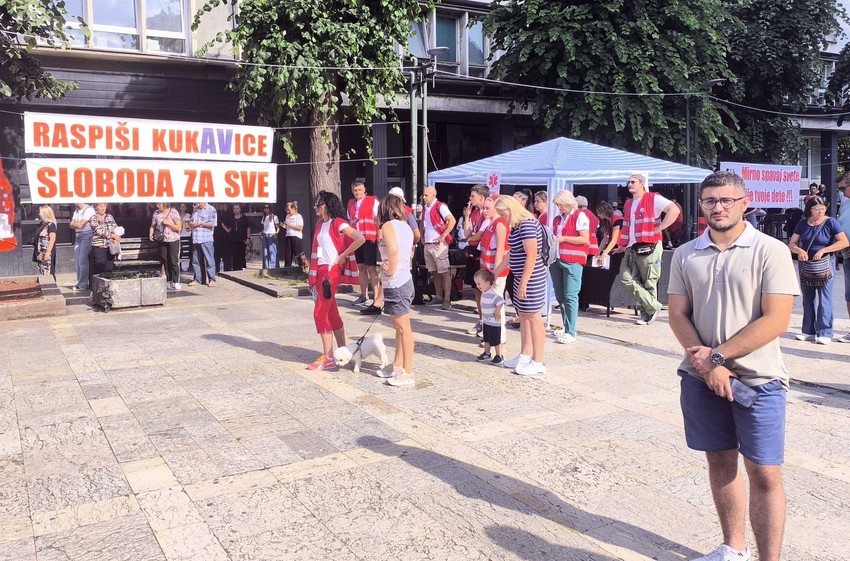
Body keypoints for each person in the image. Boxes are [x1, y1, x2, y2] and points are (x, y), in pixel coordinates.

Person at [668, 170, 799, 561]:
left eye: (727, 200)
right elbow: (677, 314)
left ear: (744, 203)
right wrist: (707, 365)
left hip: (760, 379)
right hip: (701, 377)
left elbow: (776, 319)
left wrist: (719, 356)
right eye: (710, 200)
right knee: (720, 460)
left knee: (764, 472)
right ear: (702, 205)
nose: (718, 207)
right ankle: (732, 547)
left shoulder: (770, 250)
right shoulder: (686, 253)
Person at [612, 172, 680, 325]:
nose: (629, 184)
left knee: (648, 281)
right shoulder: (629, 203)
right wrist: (622, 245)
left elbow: (674, 210)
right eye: (629, 182)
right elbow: (628, 226)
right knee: (626, 278)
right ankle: (653, 306)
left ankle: (646, 315)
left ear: (642, 184)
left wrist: (661, 227)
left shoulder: (653, 198)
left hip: (650, 245)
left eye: (633, 182)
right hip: (632, 247)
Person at [308, 190, 365, 371]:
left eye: (319, 203)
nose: (316, 206)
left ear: (326, 206)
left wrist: (343, 256)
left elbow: (360, 238)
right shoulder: (320, 225)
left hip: (330, 273)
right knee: (331, 313)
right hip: (321, 272)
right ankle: (344, 351)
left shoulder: (338, 223)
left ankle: (328, 357)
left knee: (319, 313)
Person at [493, 195, 547, 376]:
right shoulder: (517, 225)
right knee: (523, 315)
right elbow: (513, 253)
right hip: (521, 276)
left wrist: (523, 282)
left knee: (533, 316)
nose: (502, 217)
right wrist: (496, 271)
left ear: (510, 209)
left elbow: (532, 255)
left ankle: (538, 361)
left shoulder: (527, 224)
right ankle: (525, 355)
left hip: (532, 277)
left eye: (503, 213)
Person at [787, 195, 848, 344]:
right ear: (810, 210)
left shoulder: (831, 222)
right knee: (807, 298)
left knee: (824, 299)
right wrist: (800, 251)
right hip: (806, 265)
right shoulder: (803, 223)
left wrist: (825, 250)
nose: (820, 212)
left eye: (822, 209)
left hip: (825, 264)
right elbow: (792, 243)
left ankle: (825, 332)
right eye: (816, 209)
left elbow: (844, 242)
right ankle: (808, 330)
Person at [376, 194, 416, 386]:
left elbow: (392, 250)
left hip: (397, 281)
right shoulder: (406, 226)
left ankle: (408, 371)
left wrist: (390, 269)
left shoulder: (388, 226)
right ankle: (398, 365)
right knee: (399, 328)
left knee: (403, 328)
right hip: (403, 279)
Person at [550, 190, 589, 344]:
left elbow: (585, 239)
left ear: (568, 203)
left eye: (560, 205)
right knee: (560, 297)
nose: (559, 208)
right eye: (558, 205)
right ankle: (567, 326)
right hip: (557, 260)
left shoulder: (580, 216)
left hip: (573, 261)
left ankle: (571, 332)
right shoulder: (558, 219)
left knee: (570, 296)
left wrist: (565, 238)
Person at [420, 186, 456, 311]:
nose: (424, 197)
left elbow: (451, 220)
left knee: (444, 272)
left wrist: (443, 235)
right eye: (423, 195)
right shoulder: (425, 208)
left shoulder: (440, 206)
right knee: (434, 272)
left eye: (426, 195)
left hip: (438, 244)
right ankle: (439, 296)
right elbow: (422, 223)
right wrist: (422, 237)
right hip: (428, 243)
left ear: (433, 195)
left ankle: (447, 299)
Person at [479, 194, 509, 342]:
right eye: (483, 208)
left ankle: (500, 336)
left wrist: (495, 272)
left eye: (487, 208)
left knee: (497, 303)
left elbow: (500, 249)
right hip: (489, 269)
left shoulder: (499, 224)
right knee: (490, 304)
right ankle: (492, 335)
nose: (484, 210)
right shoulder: (492, 223)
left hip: (496, 271)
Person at [347, 180, 381, 310]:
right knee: (361, 267)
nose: (357, 193)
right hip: (357, 240)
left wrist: (380, 234)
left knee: (371, 268)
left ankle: (376, 296)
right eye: (355, 190)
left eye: (359, 190)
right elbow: (351, 221)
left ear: (364, 190)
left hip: (369, 239)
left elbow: (379, 218)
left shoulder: (372, 201)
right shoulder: (351, 204)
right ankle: (364, 295)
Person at [463, 184, 491, 335]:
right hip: (473, 253)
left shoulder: (488, 213)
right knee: (476, 288)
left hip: (482, 255)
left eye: (473, 196)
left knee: (486, 289)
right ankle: (481, 321)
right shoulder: (474, 213)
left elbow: (477, 236)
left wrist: (469, 238)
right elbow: (468, 233)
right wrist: (467, 216)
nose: (470, 198)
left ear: (481, 197)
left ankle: (487, 322)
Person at [474, 269, 505, 365]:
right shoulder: (485, 293)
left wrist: (497, 311)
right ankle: (487, 353)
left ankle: (499, 355)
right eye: (476, 284)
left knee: (495, 339)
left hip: (494, 323)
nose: (477, 286)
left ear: (487, 283)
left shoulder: (493, 293)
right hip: (486, 321)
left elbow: (500, 301)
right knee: (486, 338)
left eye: (479, 284)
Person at [149, 202, 183, 290]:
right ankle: (168, 280)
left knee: (173, 260)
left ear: (164, 204)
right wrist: (151, 233)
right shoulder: (156, 213)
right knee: (165, 260)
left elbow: (179, 227)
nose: (157, 205)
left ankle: (175, 281)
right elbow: (153, 225)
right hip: (162, 239)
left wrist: (168, 223)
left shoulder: (173, 212)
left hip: (173, 239)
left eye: (159, 204)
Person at [188, 202, 217, 287]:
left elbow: (213, 224)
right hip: (196, 238)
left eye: (198, 202)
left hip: (206, 238)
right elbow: (192, 221)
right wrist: (190, 226)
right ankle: (198, 279)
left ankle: (212, 279)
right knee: (196, 260)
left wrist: (199, 224)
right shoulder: (195, 210)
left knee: (209, 260)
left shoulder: (211, 209)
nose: (197, 204)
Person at [88, 203, 121, 279]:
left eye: (104, 206)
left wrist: (117, 236)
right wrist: (113, 236)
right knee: (99, 267)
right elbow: (99, 231)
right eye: (100, 206)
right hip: (99, 247)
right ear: (96, 207)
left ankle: (107, 288)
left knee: (109, 269)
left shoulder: (110, 217)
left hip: (110, 247)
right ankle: (96, 288)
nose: (103, 208)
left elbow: (115, 227)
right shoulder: (93, 218)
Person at [836, 172, 850, 343]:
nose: (841, 192)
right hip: (847, 254)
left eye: (843, 188)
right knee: (849, 296)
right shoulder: (845, 202)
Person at [69, 202, 95, 290]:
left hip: (86, 235)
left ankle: (83, 284)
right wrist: (76, 224)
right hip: (78, 236)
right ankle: (80, 282)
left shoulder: (89, 210)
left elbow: (81, 224)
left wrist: (75, 224)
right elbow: (71, 225)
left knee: (82, 261)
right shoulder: (77, 210)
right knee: (77, 261)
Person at [223, 203, 250, 270]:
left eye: (237, 208)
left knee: (242, 254)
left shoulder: (244, 217)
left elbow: (248, 228)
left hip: (242, 239)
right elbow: (223, 224)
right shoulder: (231, 217)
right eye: (234, 209)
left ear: (240, 209)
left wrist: (248, 238)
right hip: (233, 239)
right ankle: (235, 269)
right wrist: (228, 231)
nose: (236, 210)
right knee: (234, 255)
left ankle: (243, 268)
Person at [595, 201, 622, 268]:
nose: (598, 215)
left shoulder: (617, 220)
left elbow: (614, 240)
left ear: (604, 212)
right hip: (614, 249)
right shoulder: (608, 222)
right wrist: (598, 251)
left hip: (620, 249)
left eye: (599, 213)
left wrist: (604, 254)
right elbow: (605, 238)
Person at [33, 205, 57, 277]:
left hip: (46, 251)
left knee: (48, 271)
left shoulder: (51, 225)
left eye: (40, 212)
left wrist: (48, 252)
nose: (39, 214)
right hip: (40, 251)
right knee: (43, 270)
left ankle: (52, 286)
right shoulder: (42, 224)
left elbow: (52, 239)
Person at [283, 201, 304, 267]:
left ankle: (301, 267)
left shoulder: (298, 216)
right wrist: (284, 225)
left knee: (298, 253)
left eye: (289, 210)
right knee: (288, 253)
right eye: (287, 210)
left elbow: (300, 228)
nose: (288, 212)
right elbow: (287, 226)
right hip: (288, 235)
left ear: (293, 208)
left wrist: (290, 224)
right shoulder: (287, 216)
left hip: (296, 236)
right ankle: (287, 267)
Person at [260, 204, 280, 269]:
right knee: (265, 251)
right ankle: (266, 267)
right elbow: (263, 227)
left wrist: (276, 234)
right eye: (265, 208)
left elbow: (278, 227)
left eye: (267, 208)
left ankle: (274, 267)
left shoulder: (274, 217)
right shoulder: (263, 217)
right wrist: (261, 234)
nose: (266, 209)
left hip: (272, 234)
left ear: (270, 209)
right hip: (265, 234)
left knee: (272, 251)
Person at [178, 203, 193, 272]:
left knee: (185, 251)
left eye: (183, 207)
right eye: (181, 206)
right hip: (177, 236)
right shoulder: (177, 215)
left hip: (186, 235)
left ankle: (185, 267)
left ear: (186, 208)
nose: (182, 208)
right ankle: (178, 266)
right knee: (178, 251)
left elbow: (189, 227)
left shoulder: (189, 216)